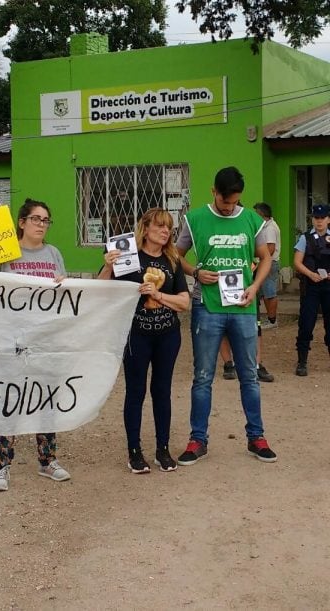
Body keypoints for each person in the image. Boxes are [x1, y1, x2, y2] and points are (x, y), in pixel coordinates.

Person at [0, 198, 71, 491]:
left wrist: (64, 282)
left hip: (45, 340)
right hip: (10, 340)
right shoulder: (6, 252)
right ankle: (1, 466)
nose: (41, 225)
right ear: (21, 223)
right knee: (8, 402)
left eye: (46, 220)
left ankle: (48, 461)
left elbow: (63, 294)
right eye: (35, 219)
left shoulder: (54, 253)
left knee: (45, 399)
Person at [175, 166, 277, 465]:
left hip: (243, 307)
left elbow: (266, 257)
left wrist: (255, 286)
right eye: (224, 202)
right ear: (213, 192)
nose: (229, 207)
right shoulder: (194, 219)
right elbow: (176, 254)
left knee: (250, 376)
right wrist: (196, 271)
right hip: (207, 307)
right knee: (203, 377)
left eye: (234, 203)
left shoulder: (251, 219)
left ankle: (256, 437)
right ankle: (197, 440)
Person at [98, 208, 190, 474]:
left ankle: (163, 449)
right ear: (145, 228)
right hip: (136, 335)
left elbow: (183, 302)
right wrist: (107, 265)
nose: (165, 232)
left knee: (162, 391)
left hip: (167, 335)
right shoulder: (128, 258)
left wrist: (159, 295)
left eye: (169, 227)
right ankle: (134, 452)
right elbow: (101, 291)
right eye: (160, 226)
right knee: (135, 392)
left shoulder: (172, 261)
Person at [292, 203, 330, 376]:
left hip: (328, 285)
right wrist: (311, 274)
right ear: (312, 219)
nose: (319, 221)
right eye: (316, 218)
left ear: (328, 219)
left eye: (322, 218)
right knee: (306, 323)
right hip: (311, 286)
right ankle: (302, 362)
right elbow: (297, 262)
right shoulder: (305, 238)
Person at [253, 202, 281, 329]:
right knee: (265, 292)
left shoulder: (270, 229)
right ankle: (270, 318)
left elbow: (270, 249)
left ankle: (272, 320)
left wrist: (259, 259)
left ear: (261, 214)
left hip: (270, 263)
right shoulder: (266, 226)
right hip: (266, 262)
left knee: (270, 292)